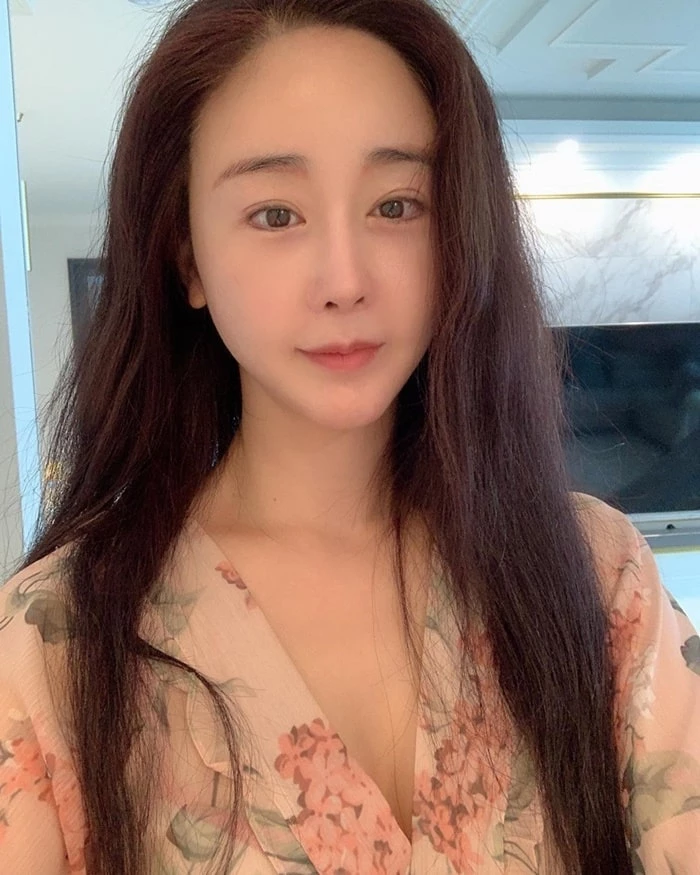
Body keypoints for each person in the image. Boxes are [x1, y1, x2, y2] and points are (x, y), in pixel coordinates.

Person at [0, 0, 698, 872]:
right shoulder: (54, 641)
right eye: (275, 215)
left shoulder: (596, 575)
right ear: (187, 258)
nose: (344, 279)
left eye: (397, 205)